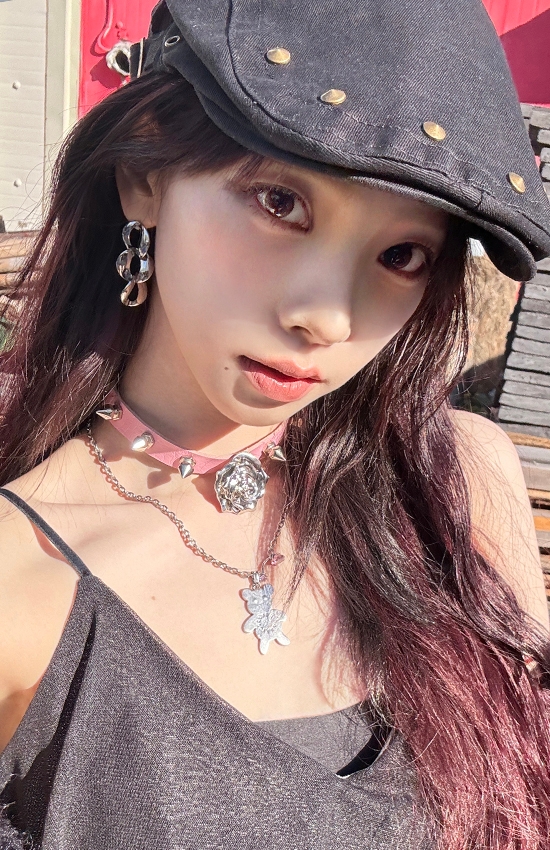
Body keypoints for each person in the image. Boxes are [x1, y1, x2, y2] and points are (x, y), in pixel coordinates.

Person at [0, 0, 549, 847]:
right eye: (280, 202)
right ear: (146, 174)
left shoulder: (457, 485)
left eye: (401, 256)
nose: (327, 317)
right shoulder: (22, 579)